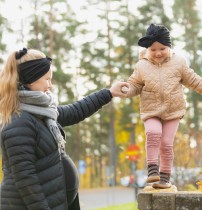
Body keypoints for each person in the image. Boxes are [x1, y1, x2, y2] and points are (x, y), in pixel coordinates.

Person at [0, 48, 129, 210]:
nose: (50, 85)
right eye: (47, 79)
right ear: (31, 79)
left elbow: (76, 111)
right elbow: (26, 181)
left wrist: (109, 93)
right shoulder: (18, 121)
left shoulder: (42, 112)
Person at [124, 24, 202, 189]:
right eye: (153, 49)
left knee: (167, 143)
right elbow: (134, 84)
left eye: (162, 48)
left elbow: (193, 80)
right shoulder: (141, 66)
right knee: (153, 133)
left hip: (173, 111)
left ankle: (165, 178)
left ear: (169, 47)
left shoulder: (179, 62)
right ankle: (152, 169)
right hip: (151, 110)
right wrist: (126, 89)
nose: (158, 53)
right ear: (147, 50)